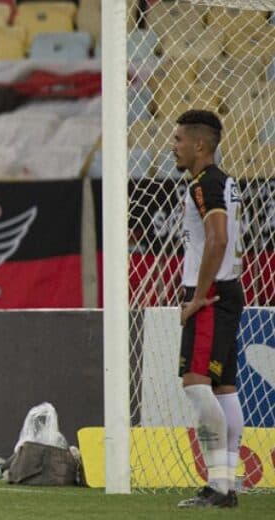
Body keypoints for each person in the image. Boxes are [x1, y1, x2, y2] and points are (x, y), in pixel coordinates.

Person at [173, 110, 244, 509]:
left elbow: (217, 239)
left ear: (200, 145)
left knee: (196, 384)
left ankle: (218, 487)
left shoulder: (205, 184)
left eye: (179, 139)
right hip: (228, 288)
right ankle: (226, 484)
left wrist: (198, 297)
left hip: (212, 294)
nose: (174, 147)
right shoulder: (225, 181)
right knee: (224, 387)